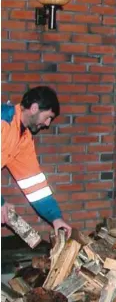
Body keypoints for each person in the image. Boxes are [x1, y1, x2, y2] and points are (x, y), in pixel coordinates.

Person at [1, 86, 72, 238]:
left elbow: (34, 187)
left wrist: (55, 218)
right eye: (47, 117)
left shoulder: (23, 139)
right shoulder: (3, 122)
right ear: (34, 108)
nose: (47, 124)